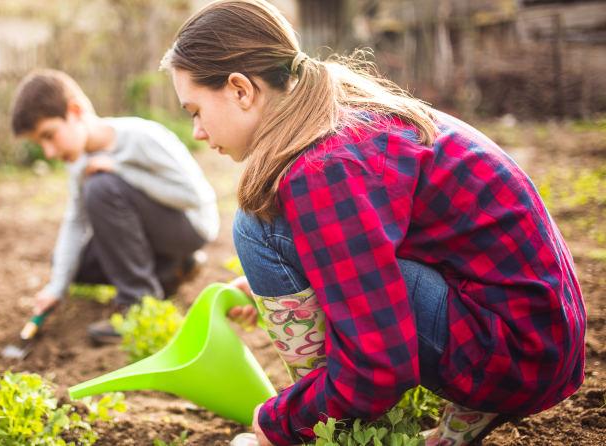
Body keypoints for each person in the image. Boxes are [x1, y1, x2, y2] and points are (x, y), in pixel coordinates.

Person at [161, 1, 586, 445]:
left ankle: (329, 430)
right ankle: (456, 426)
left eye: (194, 111)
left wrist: (279, 425)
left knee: (257, 224)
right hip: (540, 337)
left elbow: (379, 362)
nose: (198, 132)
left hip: (515, 353)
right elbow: (379, 241)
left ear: (240, 90)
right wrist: (294, 283)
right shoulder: (339, 116)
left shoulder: (323, 165)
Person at [10, 69, 219, 343]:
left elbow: (195, 197)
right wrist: (55, 288)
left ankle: (138, 305)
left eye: (49, 136)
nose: (48, 153)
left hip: (190, 227)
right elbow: (75, 223)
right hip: (153, 232)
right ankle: (171, 269)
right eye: (40, 143)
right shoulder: (79, 161)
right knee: (68, 263)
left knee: (101, 187)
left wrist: (121, 169)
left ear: (74, 112)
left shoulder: (141, 136)